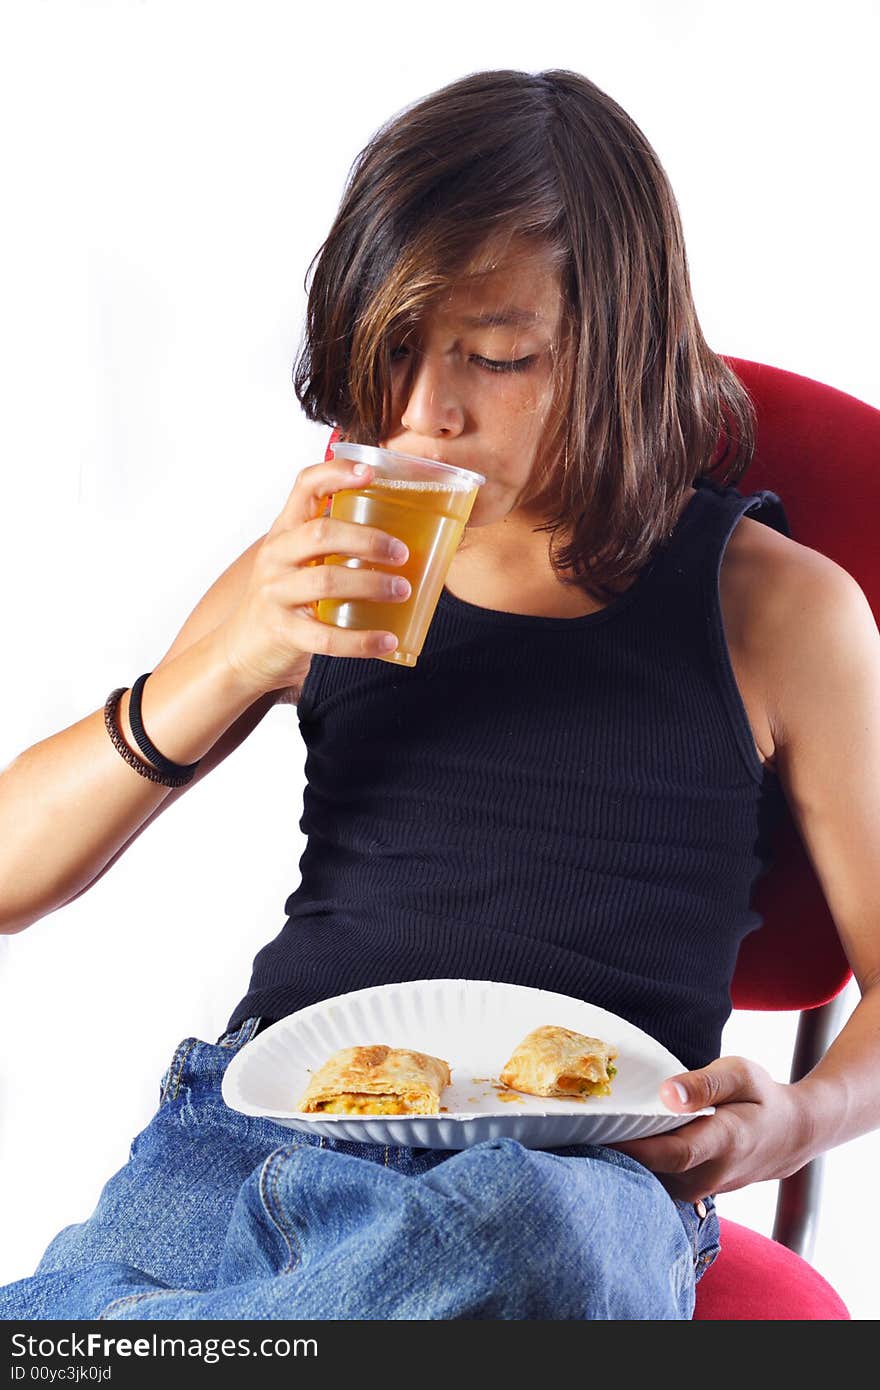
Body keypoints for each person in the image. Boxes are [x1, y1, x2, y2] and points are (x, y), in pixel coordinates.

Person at [1, 67, 878, 1322]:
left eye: (499, 357)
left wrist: (796, 1120)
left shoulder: (776, 609)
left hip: (580, 1172)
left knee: (523, 1242)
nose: (424, 414)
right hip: (262, 1128)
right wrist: (228, 662)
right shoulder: (325, 561)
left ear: (623, 344)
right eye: (396, 350)